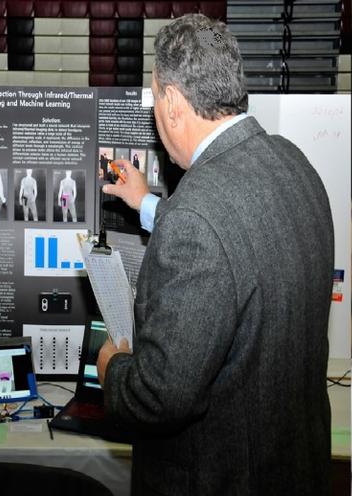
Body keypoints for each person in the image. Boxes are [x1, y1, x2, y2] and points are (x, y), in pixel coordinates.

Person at [97, 14, 333, 496]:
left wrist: (113, 370)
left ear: (172, 103)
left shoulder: (196, 216)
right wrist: (145, 204)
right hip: (294, 467)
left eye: (154, 97)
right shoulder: (296, 165)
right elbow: (237, 248)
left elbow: (160, 396)